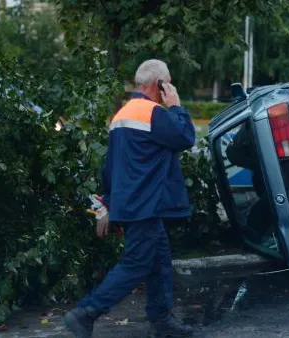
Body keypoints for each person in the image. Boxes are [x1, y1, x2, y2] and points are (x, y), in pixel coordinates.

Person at [63, 59, 195, 338]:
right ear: (159, 84)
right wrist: (176, 107)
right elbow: (185, 137)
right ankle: (86, 313)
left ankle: (162, 321)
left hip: (133, 204)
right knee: (136, 264)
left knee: (159, 262)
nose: (171, 88)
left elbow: (110, 166)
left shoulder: (122, 115)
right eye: (168, 83)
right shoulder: (154, 113)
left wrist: (109, 204)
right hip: (145, 205)